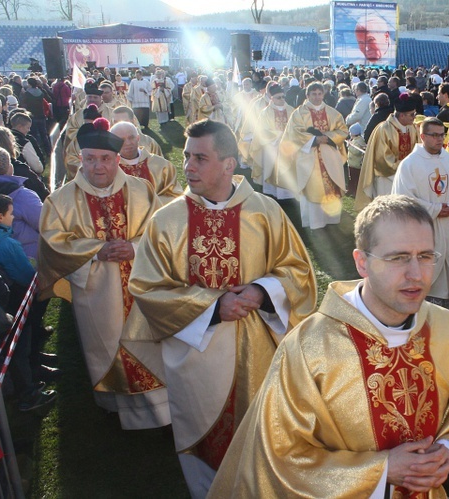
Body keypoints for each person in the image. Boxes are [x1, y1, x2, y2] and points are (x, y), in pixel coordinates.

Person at [208, 194, 449, 498]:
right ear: (362, 263)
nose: (417, 274)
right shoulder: (309, 348)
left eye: (425, 256)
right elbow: (278, 456)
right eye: (398, 258)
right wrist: (382, 470)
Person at [122, 119, 316, 498]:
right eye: (187, 157)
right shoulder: (167, 220)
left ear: (229, 164)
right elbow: (146, 287)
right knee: (203, 444)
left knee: (261, 437)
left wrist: (262, 292)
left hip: (259, 350)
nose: (188, 166)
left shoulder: (265, 212)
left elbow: (298, 272)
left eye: (200, 158)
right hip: (196, 358)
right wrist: (212, 306)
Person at [37, 118, 169, 430]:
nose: (98, 167)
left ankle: (164, 409)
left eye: (106, 159)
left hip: (142, 285)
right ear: (80, 159)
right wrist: (96, 251)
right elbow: (52, 245)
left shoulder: (141, 190)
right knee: (109, 346)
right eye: (90, 159)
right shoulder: (60, 201)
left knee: (151, 343)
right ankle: (117, 405)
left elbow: (162, 234)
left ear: (117, 159)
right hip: (97, 291)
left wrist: (135, 248)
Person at [0, 190, 56, 411]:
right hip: (15, 304)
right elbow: (26, 276)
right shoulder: (8, 245)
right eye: (11, 213)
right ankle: (28, 393)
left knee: (3, 351)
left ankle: (12, 387)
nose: (13, 217)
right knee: (19, 348)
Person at [391, 118, 449, 308]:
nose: (439, 139)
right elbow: (403, 199)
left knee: (448, 275)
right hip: (423, 230)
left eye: (442, 135)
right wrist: (435, 209)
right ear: (422, 136)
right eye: (434, 135)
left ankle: (446, 314)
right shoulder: (409, 164)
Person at [276, 82, 348, 230]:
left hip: (329, 155)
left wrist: (327, 137)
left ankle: (332, 218)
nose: (317, 97)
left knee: (332, 185)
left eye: (319, 94)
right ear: (307, 95)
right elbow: (294, 133)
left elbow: (343, 131)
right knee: (312, 186)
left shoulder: (333, 113)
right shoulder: (299, 113)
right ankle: (314, 221)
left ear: (323, 94)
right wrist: (314, 140)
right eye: (313, 94)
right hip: (309, 156)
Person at [355, 92, 418, 210]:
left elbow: (417, 149)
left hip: (407, 176)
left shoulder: (412, 128)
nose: (414, 117)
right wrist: (405, 165)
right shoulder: (384, 129)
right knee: (388, 210)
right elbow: (382, 159)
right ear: (402, 115)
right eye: (411, 114)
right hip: (387, 177)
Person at [109, 122, 182, 204]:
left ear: (138, 138)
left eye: (131, 137)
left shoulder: (161, 165)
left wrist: (149, 203)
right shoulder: (109, 170)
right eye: (121, 140)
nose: (128, 143)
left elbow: (176, 195)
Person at [250, 84, 295, 200]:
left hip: (287, 146)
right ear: (272, 98)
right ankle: (272, 191)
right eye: (279, 97)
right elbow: (261, 130)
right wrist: (278, 135)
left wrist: (286, 136)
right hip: (272, 145)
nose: (282, 100)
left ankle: (287, 193)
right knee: (272, 168)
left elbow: (296, 127)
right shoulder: (265, 112)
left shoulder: (291, 110)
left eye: (283, 97)